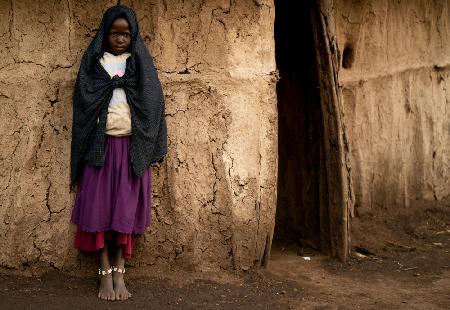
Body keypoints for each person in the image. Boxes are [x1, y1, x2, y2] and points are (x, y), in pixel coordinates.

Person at [70, 5, 167, 301]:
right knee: (98, 210)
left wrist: (151, 142)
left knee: (124, 211)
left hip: (130, 149)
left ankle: (120, 269)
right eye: (114, 33)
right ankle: (104, 272)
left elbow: (153, 104)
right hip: (100, 150)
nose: (120, 39)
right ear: (105, 34)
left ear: (133, 34)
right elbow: (83, 101)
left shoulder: (140, 65)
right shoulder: (95, 63)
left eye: (125, 34)